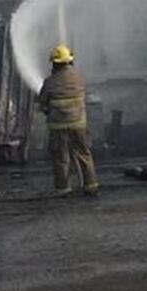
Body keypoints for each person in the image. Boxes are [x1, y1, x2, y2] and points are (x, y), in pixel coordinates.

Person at [38, 43, 99, 196]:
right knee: (84, 154)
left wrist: (48, 111)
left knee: (61, 157)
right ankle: (91, 186)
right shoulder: (79, 78)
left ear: (55, 63)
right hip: (79, 126)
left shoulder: (49, 82)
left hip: (59, 128)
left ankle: (63, 189)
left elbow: (43, 103)